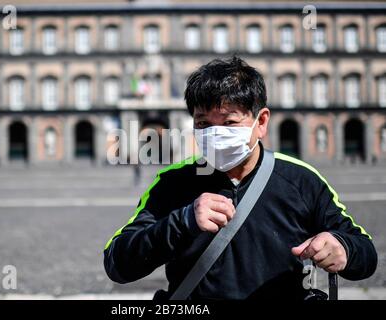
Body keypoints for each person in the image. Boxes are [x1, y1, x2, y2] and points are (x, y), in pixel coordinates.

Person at [103, 55, 377, 300]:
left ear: (261, 122)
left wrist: (344, 248)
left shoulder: (302, 180)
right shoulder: (172, 181)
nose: (215, 133)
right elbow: (117, 264)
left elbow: (365, 252)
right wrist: (182, 221)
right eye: (203, 124)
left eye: (229, 123)